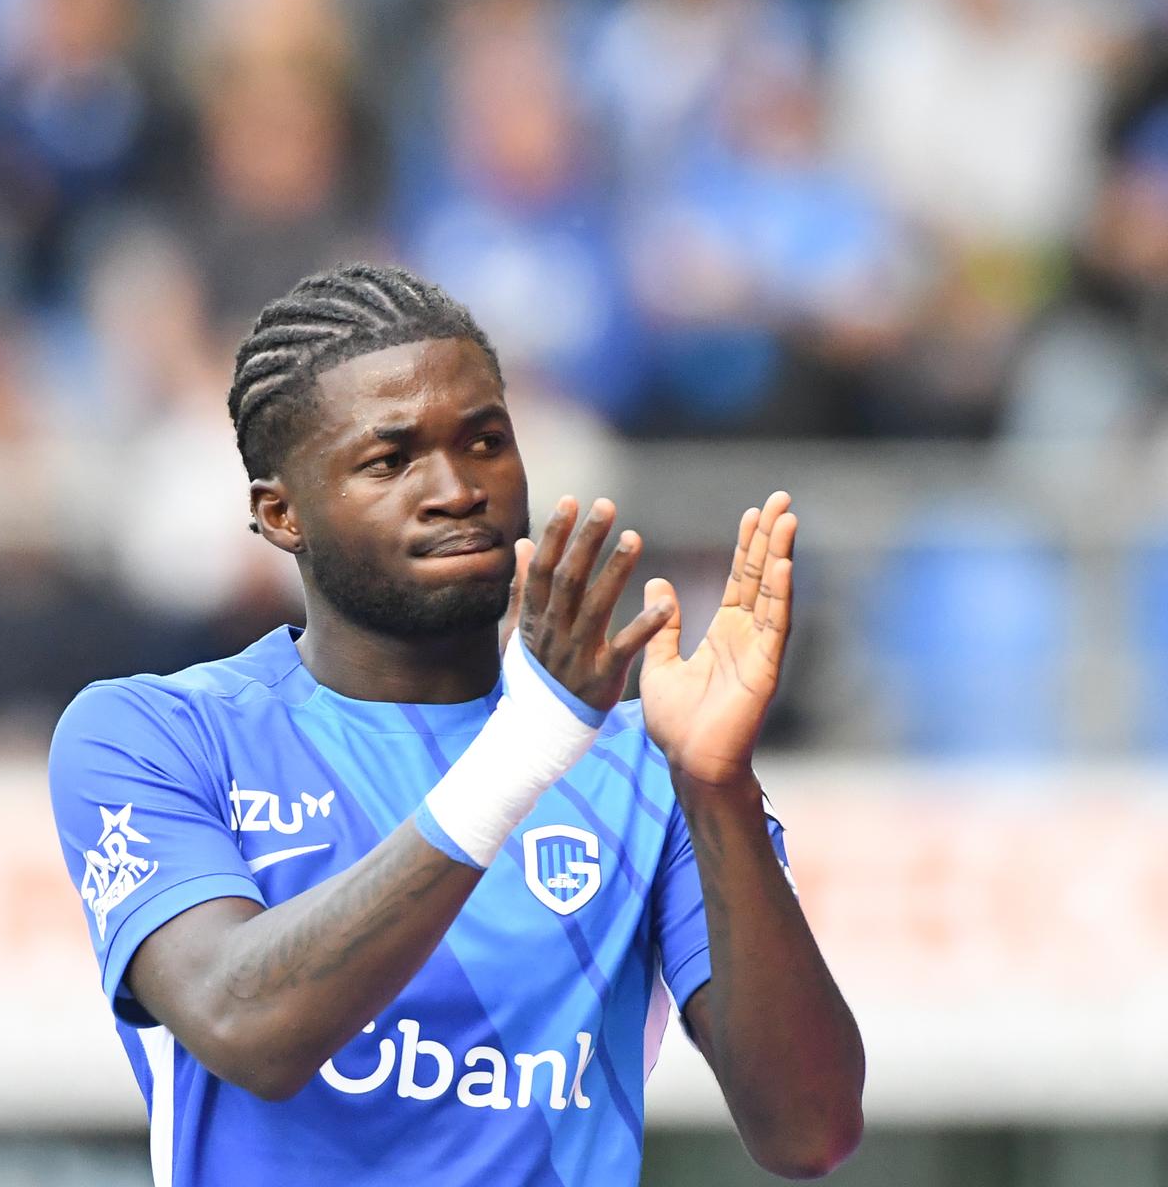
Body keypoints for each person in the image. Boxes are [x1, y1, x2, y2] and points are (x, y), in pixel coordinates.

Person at [46, 262, 864, 1184]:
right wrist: (529, 746)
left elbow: (811, 1132)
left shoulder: (646, 768)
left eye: (484, 441)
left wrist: (719, 788)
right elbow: (246, 1027)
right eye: (389, 461)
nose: (455, 488)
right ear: (280, 515)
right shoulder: (154, 733)